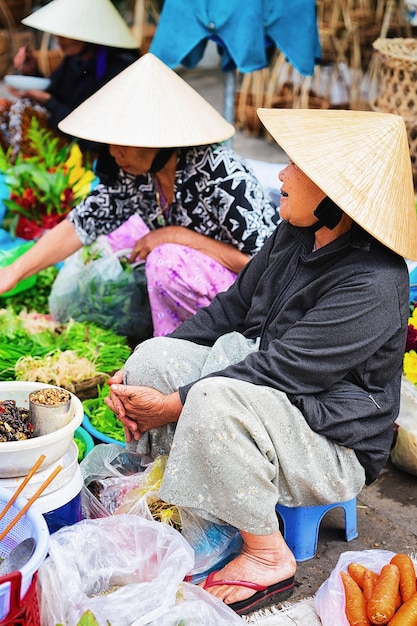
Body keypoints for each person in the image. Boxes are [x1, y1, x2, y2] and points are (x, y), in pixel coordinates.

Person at [103, 108, 417, 615]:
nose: (281, 175)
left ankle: (268, 555)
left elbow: (284, 369)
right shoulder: (296, 233)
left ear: (334, 196)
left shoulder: (374, 282)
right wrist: (144, 377)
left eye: (295, 166)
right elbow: (231, 308)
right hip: (275, 400)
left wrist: (173, 403)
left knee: (211, 398)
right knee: (153, 357)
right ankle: (172, 489)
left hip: (333, 443)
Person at [0, 53, 279, 337]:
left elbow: (269, 267)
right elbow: (81, 225)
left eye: (124, 142)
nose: (113, 151)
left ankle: (200, 346)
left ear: (160, 139)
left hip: (253, 300)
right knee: (120, 238)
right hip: (207, 289)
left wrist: (177, 235)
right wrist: (13, 272)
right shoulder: (136, 175)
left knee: (165, 259)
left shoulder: (220, 172)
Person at [0, 0, 139, 157]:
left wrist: (48, 101)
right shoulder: (73, 61)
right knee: (3, 108)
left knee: (22, 110)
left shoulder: (118, 67)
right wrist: (32, 71)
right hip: (65, 129)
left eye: (66, 34)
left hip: (91, 146)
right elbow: (57, 93)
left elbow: (94, 132)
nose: (59, 39)